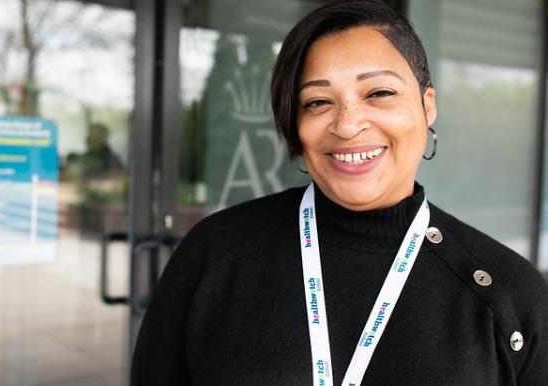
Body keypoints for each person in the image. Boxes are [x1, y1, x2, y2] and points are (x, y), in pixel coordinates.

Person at [130, 0, 548, 385]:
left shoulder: (509, 294)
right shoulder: (213, 254)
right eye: (317, 102)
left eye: (379, 93)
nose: (347, 124)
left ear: (427, 106)